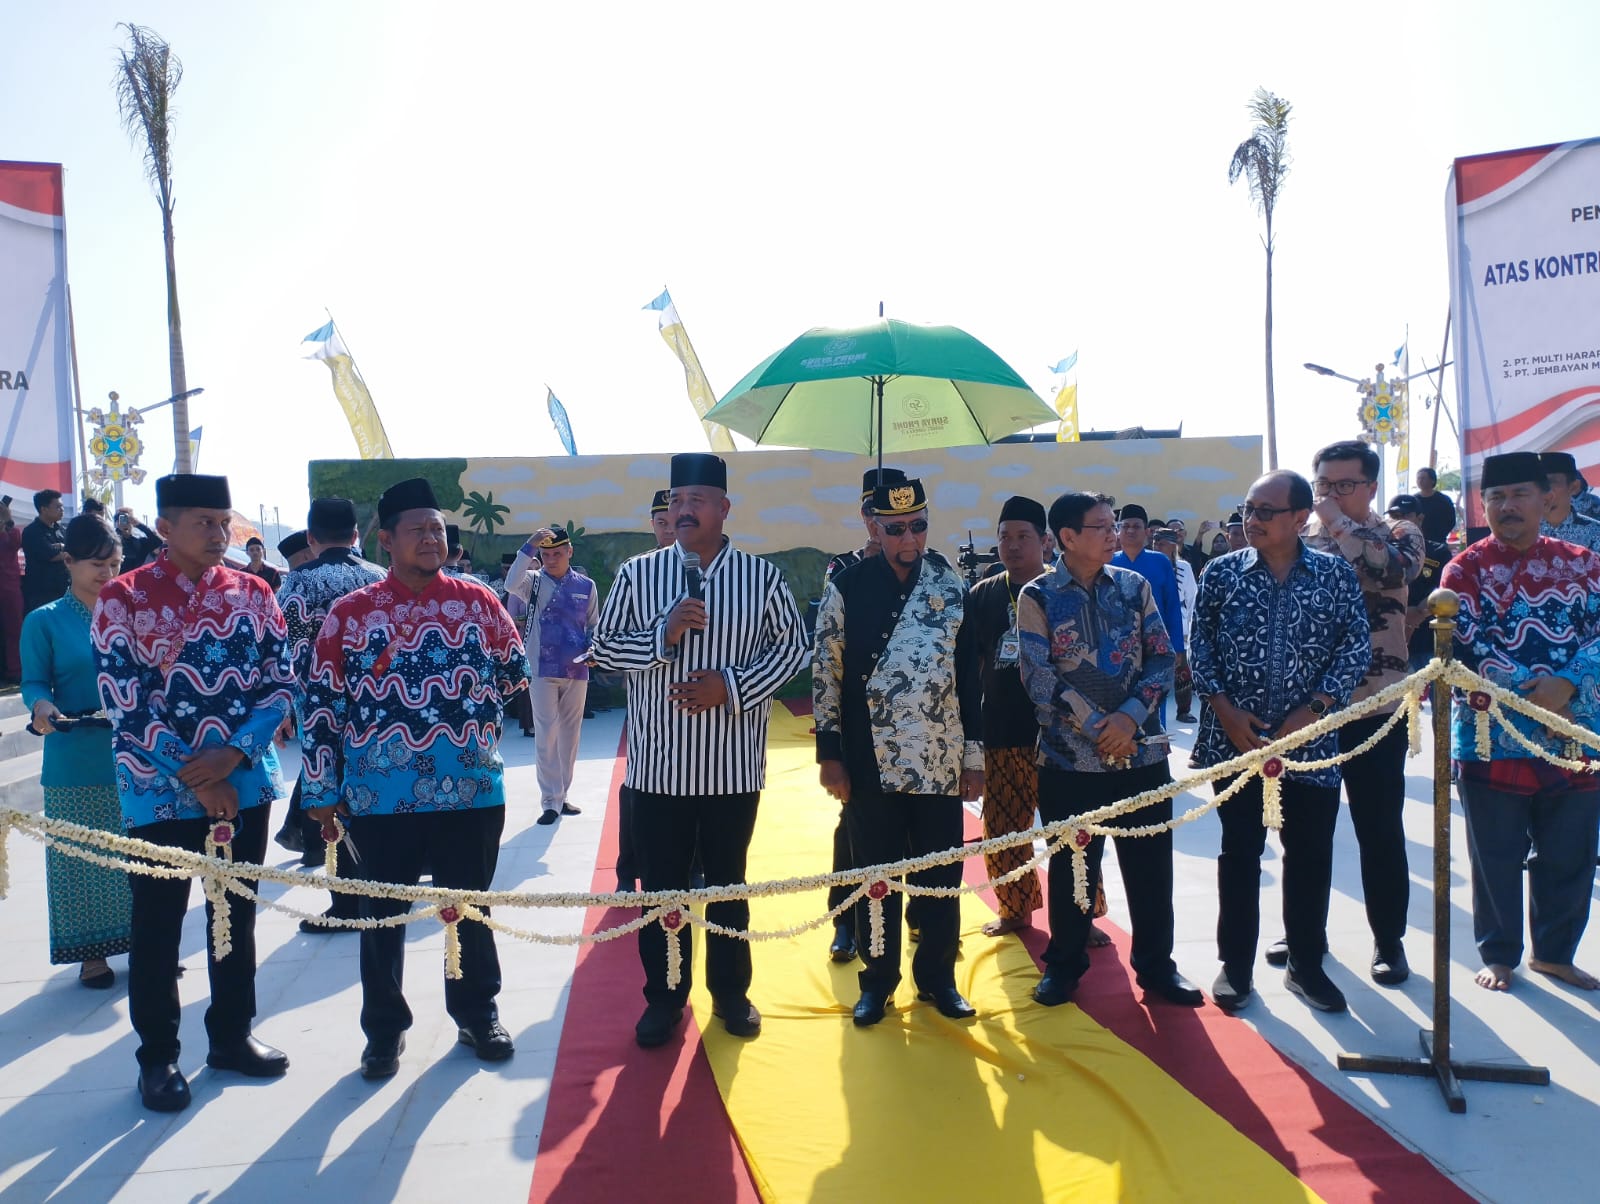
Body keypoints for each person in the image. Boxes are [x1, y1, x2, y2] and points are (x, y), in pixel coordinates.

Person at [302, 477, 531, 1080]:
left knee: (469, 909)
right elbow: (321, 703)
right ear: (385, 540)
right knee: (382, 918)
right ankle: (383, 1031)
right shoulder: (350, 614)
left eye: (437, 528)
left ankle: (477, 1013)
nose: (432, 538)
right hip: (380, 797)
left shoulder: (479, 602)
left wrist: (471, 721)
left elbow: (515, 672)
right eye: (418, 530)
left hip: (470, 789)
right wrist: (322, 790)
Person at [91, 473, 295, 1113]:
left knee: (235, 913)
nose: (218, 533)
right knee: (156, 923)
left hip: (245, 783)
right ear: (164, 527)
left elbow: (281, 682)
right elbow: (124, 703)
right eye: (203, 521)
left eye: (223, 521)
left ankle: (232, 1035)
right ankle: (158, 1057)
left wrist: (232, 756)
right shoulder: (122, 598)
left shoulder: (254, 592)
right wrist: (198, 776)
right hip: (156, 788)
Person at [591, 453, 807, 1048]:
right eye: (677, 500)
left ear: (724, 508)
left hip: (732, 767)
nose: (684, 510)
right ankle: (664, 998)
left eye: (697, 500)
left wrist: (730, 687)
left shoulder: (761, 577)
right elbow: (603, 650)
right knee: (663, 891)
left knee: (728, 886)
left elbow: (794, 650)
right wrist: (662, 636)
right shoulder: (638, 575)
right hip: (659, 769)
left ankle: (732, 993)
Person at [1188, 470, 1370, 1014]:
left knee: (1310, 856)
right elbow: (1200, 646)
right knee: (1239, 854)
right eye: (1249, 508)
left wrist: (1314, 710)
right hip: (1236, 743)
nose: (1253, 519)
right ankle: (1235, 966)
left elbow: (1355, 647)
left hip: (1310, 745)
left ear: (1300, 517)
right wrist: (1224, 711)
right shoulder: (1221, 573)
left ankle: (1306, 965)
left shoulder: (1334, 575)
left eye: (1266, 511)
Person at [1018, 492, 1204, 1009]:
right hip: (1069, 760)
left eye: (1113, 525)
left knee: (1151, 869)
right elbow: (1037, 675)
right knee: (1072, 870)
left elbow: (1161, 658)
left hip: (1140, 754)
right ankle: (1064, 967)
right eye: (1100, 527)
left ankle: (1157, 969)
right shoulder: (1037, 596)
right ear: (1068, 537)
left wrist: (1129, 717)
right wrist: (1096, 723)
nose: (1112, 534)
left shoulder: (1133, 586)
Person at [813, 477, 983, 1028]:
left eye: (918, 526)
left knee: (941, 878)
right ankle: (879, 981)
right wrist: (830, 754)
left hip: (939, 759)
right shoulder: (848, 585)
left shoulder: (949, 584)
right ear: (873, 526)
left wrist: (973, 757)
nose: (909, 538)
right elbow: (826, 673)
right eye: (895, 529)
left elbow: (967, 677)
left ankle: (937, 979)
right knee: (877, 879)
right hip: (871, 761)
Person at [1441, 451, 1600, 993]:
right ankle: (1499, 955)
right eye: (1496, 497)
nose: (1507, 506)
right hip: (1492, 734)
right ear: (1483, 504)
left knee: (1570, 853)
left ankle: (1555, 954)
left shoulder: (1585, 563)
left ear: (1546, 498)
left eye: (1519, 495)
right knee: (1495, 855)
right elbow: (1465, 646)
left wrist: (1568, 683)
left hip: (1575, 732)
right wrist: (1539, 700)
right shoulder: (1463, 570)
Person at [1300, 441, 1425, 986]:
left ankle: (1389, 940)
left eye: (1344, 485)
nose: (1329, 495)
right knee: (1307, 831)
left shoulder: (1400, 533)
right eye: (1323, 485)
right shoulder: (1299, 538)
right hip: (1309, 708)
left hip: (1376, 702)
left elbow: (1387, 570)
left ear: (1371, 487)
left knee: (1379, 829)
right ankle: (1305, 933)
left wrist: (1335, 519)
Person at [21, 514, 134, 987]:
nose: (108, 574)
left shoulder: (130, 614)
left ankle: (151, 945)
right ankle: (92, 955)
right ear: (68, 561)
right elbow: (33, 682)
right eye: (97, 564)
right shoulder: (44, 621)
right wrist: (42, 706)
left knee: (143, 859)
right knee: (81, 859)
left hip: (136, 756)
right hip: (74, 757)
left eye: (115, 564)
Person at [274, 498, 387, 919]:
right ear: (356, 535)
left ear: (310, 538)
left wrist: (286, 710)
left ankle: (346, 903)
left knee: (333, 806)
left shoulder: (297, 586)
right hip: (379, 712)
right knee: (377, 798)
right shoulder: (380, 578)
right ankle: (386, 891)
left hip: (321, 716)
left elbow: (285, 655)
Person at [965, 495, 1047, 937]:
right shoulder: (984, 594)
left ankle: (1085, 912)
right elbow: (971, 666)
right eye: (1005, 537)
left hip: (1059, 734)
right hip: (1001, 728)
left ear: (1045, 541)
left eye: (1023, 537)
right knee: (1002, 828)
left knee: (1073, 831)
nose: (1012, 546)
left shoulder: (1061, 589)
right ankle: (1015, 909)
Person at [507, 525, 598, 825]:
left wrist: (594, 648)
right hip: (541, 667)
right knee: (546, 734)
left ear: (570, 551)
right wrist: (529, 545)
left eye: (557, 553)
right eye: (546, 554)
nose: (551, 559)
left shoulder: (586, 585)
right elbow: (510, 582)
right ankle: (549, 801)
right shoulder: (532, 581)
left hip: (576, 667)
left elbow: (593, 624)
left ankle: (562, 794)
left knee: (570, 736)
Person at [1111, 505, 1185, 723]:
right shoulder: (1109, 562)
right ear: (1118, 531)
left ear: (1147, 532)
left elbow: (1172, 605)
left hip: (1155, 644)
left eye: (1136, 526)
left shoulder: (1160, 561)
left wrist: (1177, 646)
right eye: (1125, 526)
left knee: (1154, 698)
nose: (1130, 531)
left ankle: (1156, 739)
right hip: (1117, 645)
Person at [1152, 525, 1197, 721]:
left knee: (1182, 669)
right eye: (1155, 543)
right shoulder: (1151, 564)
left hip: (1180, 622)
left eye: (1161, 543)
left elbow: (1192, 597)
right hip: (1155, 621)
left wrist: (1191, 625)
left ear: (1173, 546)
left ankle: (1183, 710)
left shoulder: (1184, 567)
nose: (1157, 547)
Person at [1538, 451, 1600, 552]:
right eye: (1537, 484)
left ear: (1573, 487)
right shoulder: (1521, 534)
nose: (1543, 490)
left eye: (1551, 483)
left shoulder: (1596, 533)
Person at [22, 488, 69, 614]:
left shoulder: (62, 530)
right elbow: (51, 555)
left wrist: (62, 548)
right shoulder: (32, 531)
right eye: (58, 507)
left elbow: (73, 550)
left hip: (63, 590)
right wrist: (67, 551)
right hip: (41, 593)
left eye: (62, 506)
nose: (62, 509)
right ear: (43, 509)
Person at [0, 497, 23, 681]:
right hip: (7, 587)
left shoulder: (9, 532)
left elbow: (15, 542)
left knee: (14, 629)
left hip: (9, 587)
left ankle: (14, 670)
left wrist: (7, 521)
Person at [1414, 466, 1458, 545]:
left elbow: (1451, 521)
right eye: (1418, 478)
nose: (1420, 481)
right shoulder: (1413, 500)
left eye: (1423, 478)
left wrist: (1441, 533)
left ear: (1432, 480)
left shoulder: (1444, 499)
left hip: (1439, 541)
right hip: (1418, 542)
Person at [115, 508, 163, 574]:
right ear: (117, 523)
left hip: (135, 578)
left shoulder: (140, 543)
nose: (126, 523)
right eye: (122, 520)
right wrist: (118, 531)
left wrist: (139, 525)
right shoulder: (112, 543)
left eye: (128, 520)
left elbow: (157, 542)